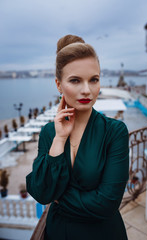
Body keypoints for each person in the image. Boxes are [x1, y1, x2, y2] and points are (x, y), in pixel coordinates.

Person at [26, 34, 129, 240]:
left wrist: (59, 198)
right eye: (75, 80)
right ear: (58, 84)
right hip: (57, 233)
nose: (87, 90)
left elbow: (107, 204)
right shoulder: (49, 132)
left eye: (94, 80)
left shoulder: (115, 131)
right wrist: (59, 139)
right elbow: (41, 192)